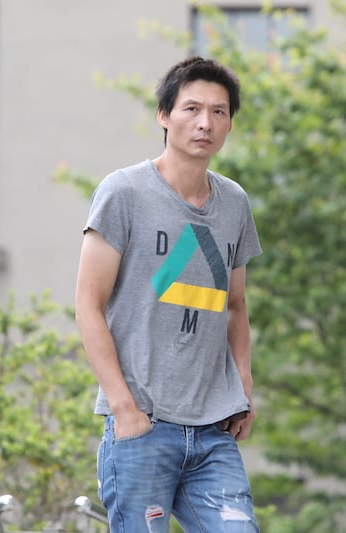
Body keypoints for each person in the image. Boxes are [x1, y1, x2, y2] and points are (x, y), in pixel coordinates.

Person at [75, 56, 262, 533]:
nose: (205, 123)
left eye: (219, 112)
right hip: (143, 426)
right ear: (164, 115)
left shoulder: (234, 203)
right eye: (192, 108)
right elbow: (88, 306)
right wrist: (122, 408)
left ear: (230, 124)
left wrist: (242, 386)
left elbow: (235, 306)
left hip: (213, 430)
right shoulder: (125, 192)